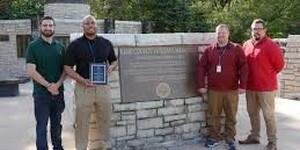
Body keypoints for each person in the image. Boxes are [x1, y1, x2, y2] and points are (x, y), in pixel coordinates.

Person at [64, 15, 117, 150]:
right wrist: (82, 80)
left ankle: (106, 146)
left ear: (96, 25)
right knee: (82, 122)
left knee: (105, 119)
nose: (90, 25)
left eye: (92, 23)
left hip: (103, 88)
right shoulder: (75, 45)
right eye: (87, 23)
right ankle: (81, 148)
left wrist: (110, 68)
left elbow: (114, 60)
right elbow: (67, 68)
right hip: (83, 88)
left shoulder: (106, 43)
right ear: (83, 27)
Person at [198, 24, 248, 150]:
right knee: (214, 115)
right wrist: (201, 84)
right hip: (214, 90)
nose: (220, 35)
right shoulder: (210, 50)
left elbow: (244, 67)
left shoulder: (237, 49)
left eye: (223, 33)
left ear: (228, 34)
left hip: (231, 89)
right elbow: (201, 67)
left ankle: (230, 138)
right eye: (218, 33)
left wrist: (242, 85)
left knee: (231, 115)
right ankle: (214, 137)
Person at [238, 19, 284, 150]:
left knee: (268, 115)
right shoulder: (246, 44)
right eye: (254, 29)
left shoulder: (272, 46)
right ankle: (254, 136)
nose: (256, 31)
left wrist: (266, 75)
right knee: (252, 113)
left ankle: (272, 142)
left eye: (259, 29)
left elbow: (279, 65)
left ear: (265, 30)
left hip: (266, 88)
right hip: (250, 87)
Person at [26, 16, 66, 150]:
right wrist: (49, 86)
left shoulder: (60, 47)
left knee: (57, 125)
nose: (48, 28)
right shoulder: (33, 47)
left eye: (50, 25)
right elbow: (31, 71)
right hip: (41, 95)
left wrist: (57, 85)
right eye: (45, 25)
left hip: (58, 94)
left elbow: (65, 70)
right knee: (42, 126)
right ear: (40, 28)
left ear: (54, 28)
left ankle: (58, 147)